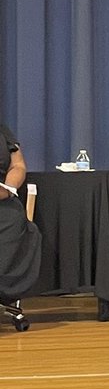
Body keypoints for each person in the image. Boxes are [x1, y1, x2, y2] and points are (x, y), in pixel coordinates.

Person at [0, 123, 41, 329]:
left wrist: (7, 188)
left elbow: (18, 166)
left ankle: (6, 292)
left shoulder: (3, 131)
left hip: (3, 202)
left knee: (14, 226)